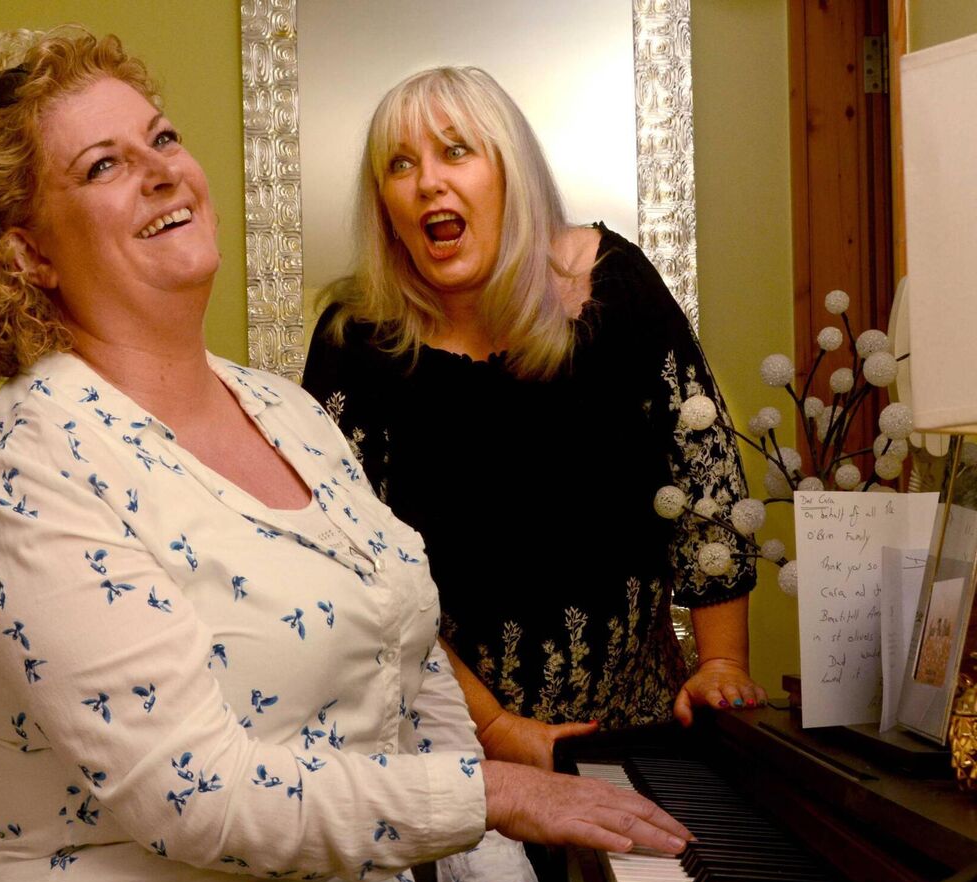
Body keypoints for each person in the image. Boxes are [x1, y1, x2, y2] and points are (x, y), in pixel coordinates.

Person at [0, 29, 691, 882]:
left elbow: (411, 673)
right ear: (26, 253)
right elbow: (198, 796)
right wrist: (504, 796)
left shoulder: (289, 413)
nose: (162, 171)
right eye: (102, 166)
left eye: (161, 138)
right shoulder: (24, 470)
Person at [302, 66, 768, 772]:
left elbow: (705, 480)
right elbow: (350, 568)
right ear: (385, 206)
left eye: (455, 151)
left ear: (509, 171)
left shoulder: (615, 286)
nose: (427, 181)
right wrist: (493, 729)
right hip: (446, 758)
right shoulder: (354, 342)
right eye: (400, 164)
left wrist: (723, 660)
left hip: (636, 745)